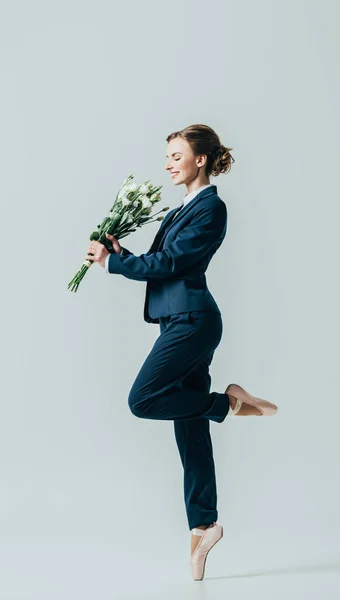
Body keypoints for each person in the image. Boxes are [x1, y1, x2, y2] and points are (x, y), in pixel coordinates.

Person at [85, 123, 278, 581]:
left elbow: (173, 264)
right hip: (179, 320)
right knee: (187, 428)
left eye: (176, 155)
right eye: (168, 157)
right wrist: (120, 249)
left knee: (143, 400)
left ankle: (227, 403)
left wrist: (114, 264)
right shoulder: (181, 210)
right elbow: (159, 264)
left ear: (201, 160)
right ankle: (203, 524)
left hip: (194, 321)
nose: (169, 164)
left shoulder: (212, 209)